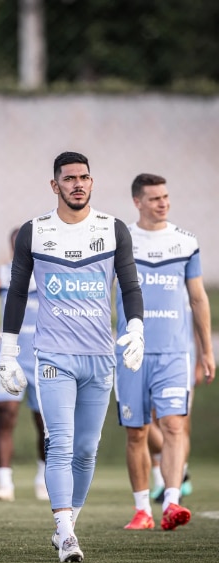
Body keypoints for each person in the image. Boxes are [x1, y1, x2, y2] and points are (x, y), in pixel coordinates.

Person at [0, 151, 144, 563]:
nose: (77, 184)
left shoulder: (113, 229)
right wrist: (8, 353)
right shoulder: (34, 231)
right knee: (58, 443)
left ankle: (68, 523)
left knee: (87, 449)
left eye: (83, 177)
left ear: (91, 183)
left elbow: (129, 287)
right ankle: (65, 533)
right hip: (54, 357)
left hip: (100, 358)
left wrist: (136, 328)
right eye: (69, 178)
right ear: (55, 185)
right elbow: (18, 294)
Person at [115, 173, 212, 531]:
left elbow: (198, 298)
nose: (163, 203)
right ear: (137, 202)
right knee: (137, 432)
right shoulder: (121, 240)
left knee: (173, 425)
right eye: (155, 198)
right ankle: (143, 509)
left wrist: (206, 350)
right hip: (131, 353)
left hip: (174, 353)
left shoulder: (186, 242)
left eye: (166, 197)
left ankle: (171, 502)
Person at [0, 229, 48, 502]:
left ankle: (43, 478)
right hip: (11, 357)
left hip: (42, 357)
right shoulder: (4, 273)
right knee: (6, 415)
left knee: (44, 423)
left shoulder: (48, 274)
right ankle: (5, 482)